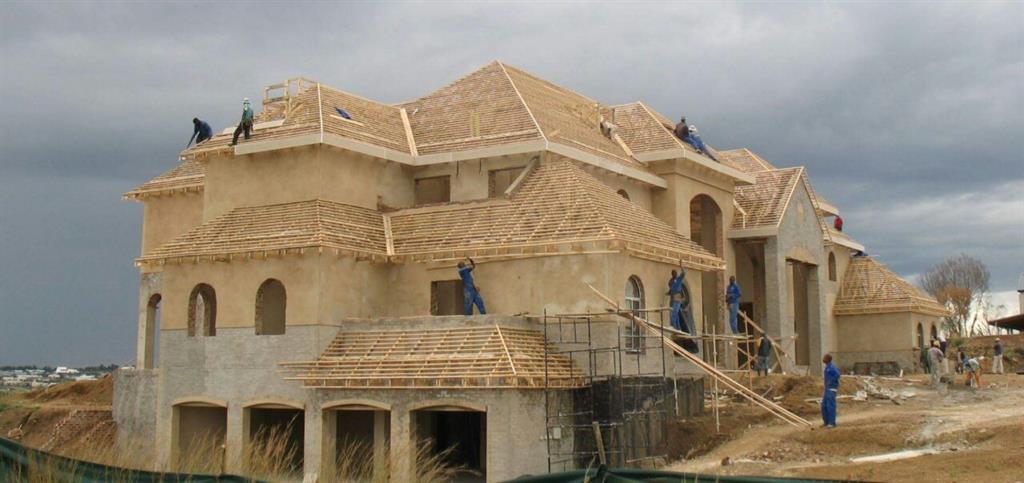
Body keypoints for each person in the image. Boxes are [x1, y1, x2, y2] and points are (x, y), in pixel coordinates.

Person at [821, 354, 840, 428]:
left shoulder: (832, 367)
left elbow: (837, 374)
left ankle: (831, 423)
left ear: (828, 359)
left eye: (824, 358)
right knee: (824, 406)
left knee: (830, 406)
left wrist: (831, 382)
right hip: (827, 389)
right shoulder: (827, 367)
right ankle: (826, 422)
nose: (823, 359)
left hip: (831, 389)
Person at [666, 263, 686, 332]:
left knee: (674, 314)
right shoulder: (671, 281)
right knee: (675, 314)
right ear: (672, 274)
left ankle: (674, 327)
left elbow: (684, 273)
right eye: (673, 273)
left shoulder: (678, 279)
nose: (675, 274)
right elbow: (671, 289)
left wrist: (681, 265)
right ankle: (678, 328)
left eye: (675, 273)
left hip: (677, 298)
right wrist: (668, 293)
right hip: (673, 298)